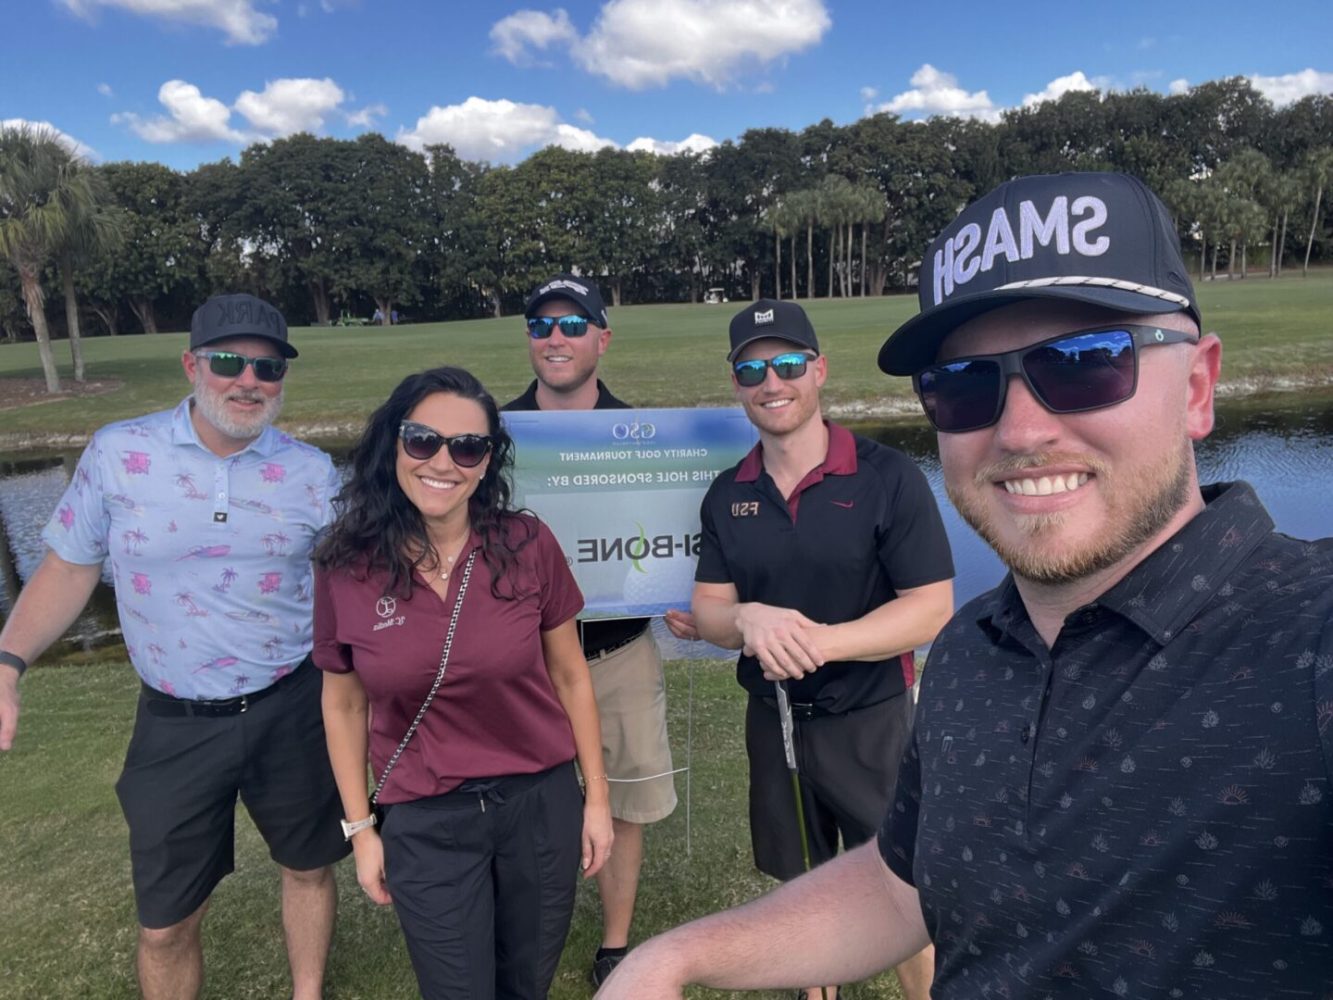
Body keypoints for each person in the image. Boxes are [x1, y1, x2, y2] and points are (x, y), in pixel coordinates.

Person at [597, 172, 1333, 1000]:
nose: (1020, 431)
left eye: (1086, 363)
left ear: (1196, 388)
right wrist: (672, 957)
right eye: (963, 385)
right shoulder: (975, 652)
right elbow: (896, 880)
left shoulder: (1305, 637)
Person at [0, 292, 348, 1000]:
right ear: (192, 364)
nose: (248, 381)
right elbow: (70, 566)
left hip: (293, 705)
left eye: (268, 368)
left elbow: (352, 580)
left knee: (309, 867)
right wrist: (8, 662)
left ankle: (307, 992)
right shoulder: (119, 452)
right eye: (229, 362)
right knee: (164, 922)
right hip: (175, 721)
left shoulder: (312, 473)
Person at [315, 365, 613, 999]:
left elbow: (569, 674)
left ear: (486, 463)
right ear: (393, 444)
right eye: (423, 440)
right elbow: (342, 704)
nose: (442, 462)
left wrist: (597, 800)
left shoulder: (527, 543)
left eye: (467, 447)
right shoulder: (347, 566)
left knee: (526, 984)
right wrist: (360, 830)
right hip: (425, 818)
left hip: (538, 805)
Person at [688, 298, 955, 1000]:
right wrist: (746, 618)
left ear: (818, 371)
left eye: (786, 365)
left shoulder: (885, 477)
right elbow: (709, 614)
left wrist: (820, 642)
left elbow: (930, 608)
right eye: (751, 369)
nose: (770, 382)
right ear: (736, 382)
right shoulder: (728, 494)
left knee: (898, 887)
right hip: (775, 723)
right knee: (804, 886)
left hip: (870, 720)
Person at [501, 274, 689, 987]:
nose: (555, 337)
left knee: (627, 802)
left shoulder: (644, 438)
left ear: (601, 339)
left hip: (617, 653)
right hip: (519, 663)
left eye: (573, 325)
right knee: (523, 806)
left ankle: (615, 942)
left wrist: (683, 588)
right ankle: (523, 930)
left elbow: (670, 537)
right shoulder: (493, 435)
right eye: (541, 325)